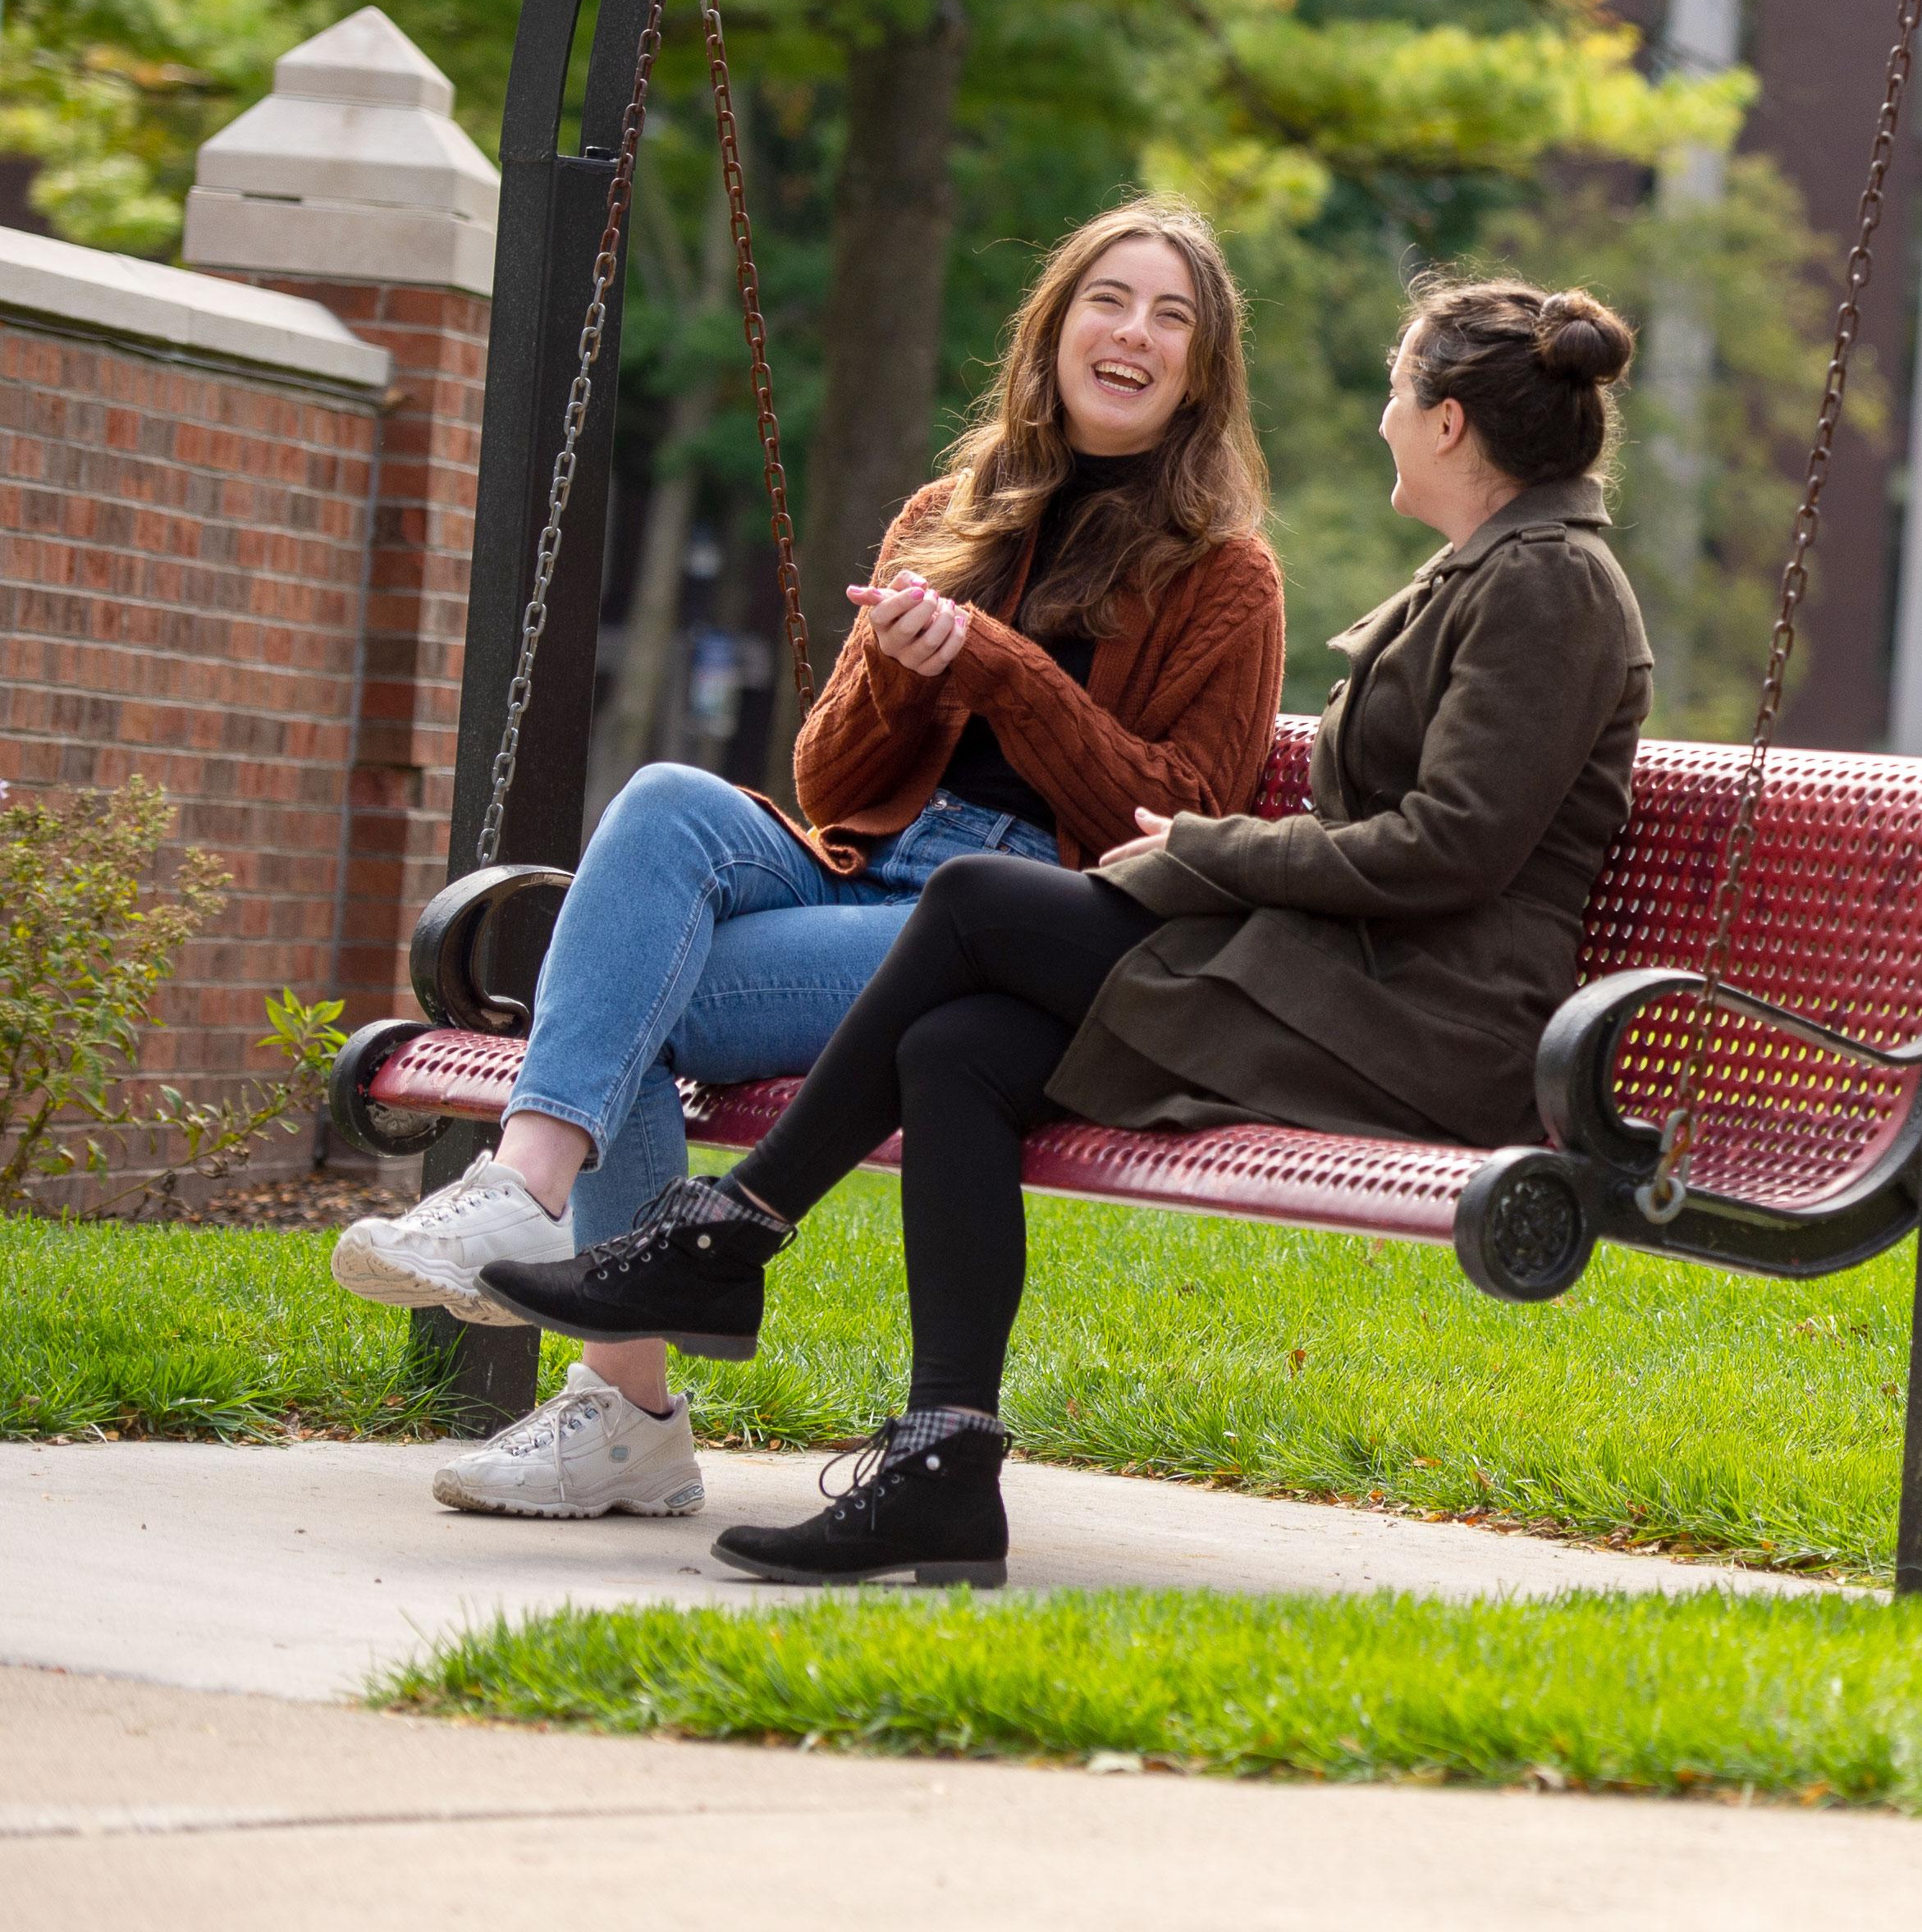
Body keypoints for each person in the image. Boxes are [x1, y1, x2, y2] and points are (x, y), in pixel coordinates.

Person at [476, 274, 1650, 1587]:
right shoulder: (1497, 570)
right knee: (962, 1050)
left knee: (978, 903)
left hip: (1426, 1020)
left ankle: (726, 1235)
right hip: (1345, 981)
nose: (1381, 416)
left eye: (1393, 389)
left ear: (1446, 425)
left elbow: (1454, 848)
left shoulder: (1550, 584)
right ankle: (943, 1475)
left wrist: (1201, 850)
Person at [330, 199, 1285, 1522]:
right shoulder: (948, 515)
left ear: (1202, 372)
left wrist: (1000, 671)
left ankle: (626, 1413)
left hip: (1007, 921)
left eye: (1172, 318)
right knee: (665, 799)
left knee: (629, 1000)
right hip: (868, 870)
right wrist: (898, 674)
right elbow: (831, 786)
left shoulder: (1227, 575)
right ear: (1054, 329)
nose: (1133, 334)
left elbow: (1179, 816)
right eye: (1107, 301)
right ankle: (526, 1190)